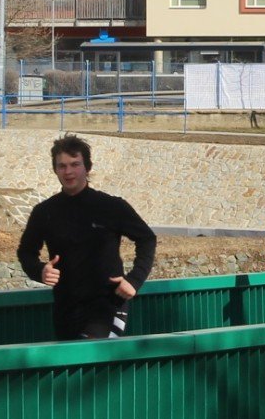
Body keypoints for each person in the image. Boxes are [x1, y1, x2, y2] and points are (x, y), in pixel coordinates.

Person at [16, 134, 159, 340]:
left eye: (75, 164)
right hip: (66, 309)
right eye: (62, 166)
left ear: (87, 167)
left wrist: (134, 280)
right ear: (55, 170)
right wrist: (40, 271)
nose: (68, 171)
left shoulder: (111, 206)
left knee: (92, 361)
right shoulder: (44, 211)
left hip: (108, 306)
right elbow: (26, 252)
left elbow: (147, 239)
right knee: (74, 370)